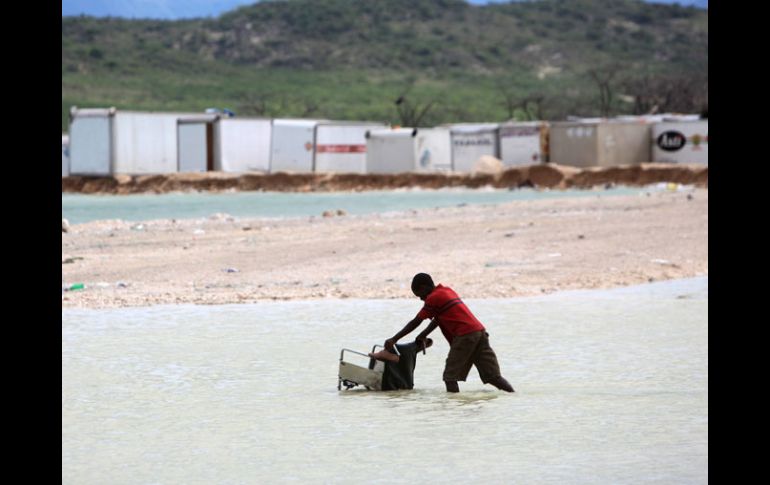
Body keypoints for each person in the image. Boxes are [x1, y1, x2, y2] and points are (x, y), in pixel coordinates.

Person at [384, 273, 514, 393]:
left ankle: (455, 412)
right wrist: (423, 334)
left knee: (450, 377)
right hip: (479, 333)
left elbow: (416, 321)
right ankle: (513, 396)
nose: (421, 299)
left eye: (420, 295)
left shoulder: (433, 298)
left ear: (424, 287)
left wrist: (394, 339)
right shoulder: (446, 291)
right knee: (493, 377)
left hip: (465, 336)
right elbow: (438, 319)